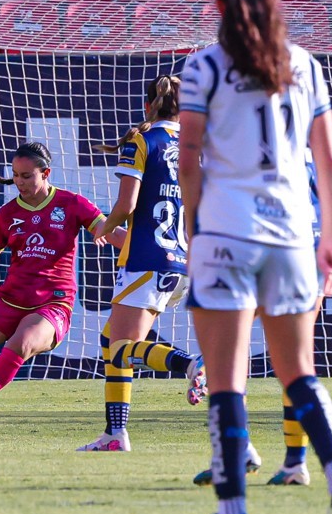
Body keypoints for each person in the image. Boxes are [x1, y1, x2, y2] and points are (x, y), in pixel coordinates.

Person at [178, 0, 332, 514]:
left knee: (227, 379)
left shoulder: (203, 68)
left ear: (218, 5)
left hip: (226, 231)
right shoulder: (305, 65)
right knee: (299, 371)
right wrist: (329, 238)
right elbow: (330, 161)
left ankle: (232, 506)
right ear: (275, 2)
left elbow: (189, 158)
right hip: (290, 232)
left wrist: (193, 226)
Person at [0, 142, 124, 426]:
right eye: (16, 175)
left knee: (22, 343)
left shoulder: (71, 204)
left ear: (45, 173)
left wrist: (147, 252)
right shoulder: (7, 214)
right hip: (10, 299)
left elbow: (109, 231)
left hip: (53, 304)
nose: (19, 182)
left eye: (27, 176)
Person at [191, 148, 332, 488]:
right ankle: (297, 463)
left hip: (259, 246)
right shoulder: (306, 130)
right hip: (307, 251)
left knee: (230, 353)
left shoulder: (245, 127)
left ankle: (238, 452)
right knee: (295, 363)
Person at [77, 74, 208, 453]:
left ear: (148, 105)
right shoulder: (192, 148)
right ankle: (114, 434)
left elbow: (127, 204)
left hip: (147, 260)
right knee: (110, 342)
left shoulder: (142, 140)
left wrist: (105, 227)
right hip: (180, 261)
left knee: (121, 348)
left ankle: (188, 363)